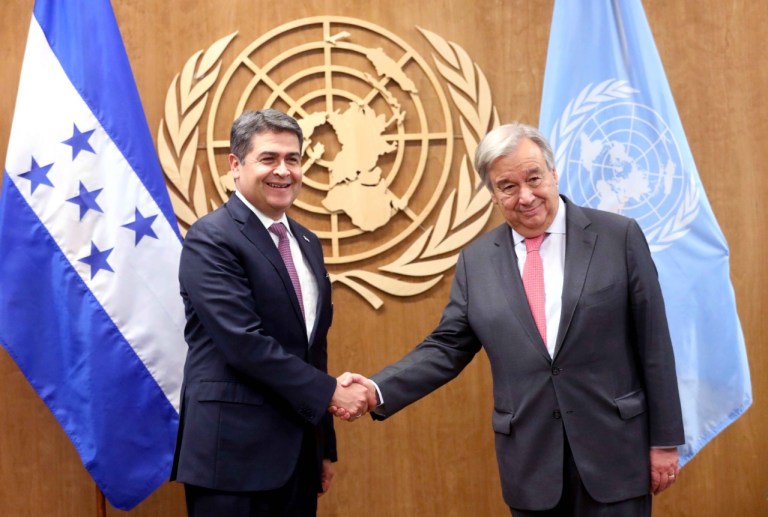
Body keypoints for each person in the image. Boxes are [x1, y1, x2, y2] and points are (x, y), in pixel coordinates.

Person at [335, 123, 685, 516]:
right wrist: (376, 389)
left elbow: (654, 343)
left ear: (553, 173)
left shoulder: (618, 237)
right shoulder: (477, 261)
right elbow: (446, 347)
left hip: (616, 453)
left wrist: (665, 441)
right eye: (508, 186)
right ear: (493, 194)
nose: (526, 196)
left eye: (534, 178)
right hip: (532, 464)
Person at [171, 108, 370, 517]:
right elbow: (243, 343)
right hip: (231, 459)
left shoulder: (307, 242)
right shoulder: (211, 238)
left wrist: (323, 446)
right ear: (235, 165)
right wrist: (331, 392)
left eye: (292, 159)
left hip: (297, 457)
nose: (283, 171)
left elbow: (312, 350)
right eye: (268, 158)